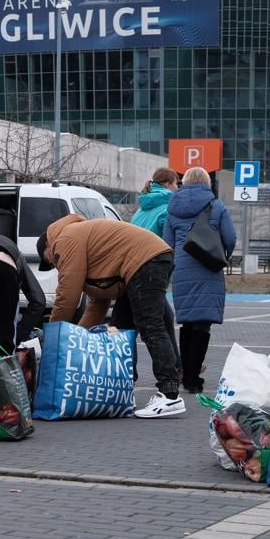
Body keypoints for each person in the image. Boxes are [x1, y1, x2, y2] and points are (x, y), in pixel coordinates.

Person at [37, 215, 184, 418]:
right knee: (119, 331)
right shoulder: (82, 241)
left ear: (47, 245)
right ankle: (124, 390)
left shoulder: (65, 239)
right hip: (140, 265)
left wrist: (53, 340)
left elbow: (67, 297)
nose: (55, 265)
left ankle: (169, 395)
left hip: (145, 261)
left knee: (150, 326)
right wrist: (77, 338)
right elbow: (98, 304)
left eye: (50, 261)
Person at [163, 166, 236, 394]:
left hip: (183, 269)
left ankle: (187, 375)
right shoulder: (216, 205)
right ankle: (193, 379)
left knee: (187, 322)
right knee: (202, 323)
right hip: (208, 266)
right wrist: (223, 255)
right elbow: (230, 238)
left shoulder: (172, 207)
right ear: (206, 183)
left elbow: (167, 242)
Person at [128, 167, 182, 379]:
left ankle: (177, 366)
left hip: (131, 266)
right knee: (151, 326)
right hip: (151, 270)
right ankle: (170, 373)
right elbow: (168, 238)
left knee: (165, 317)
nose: (178, 188)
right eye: (176, 184)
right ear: (168, 185)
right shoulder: (168, 207)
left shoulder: (141, 208)